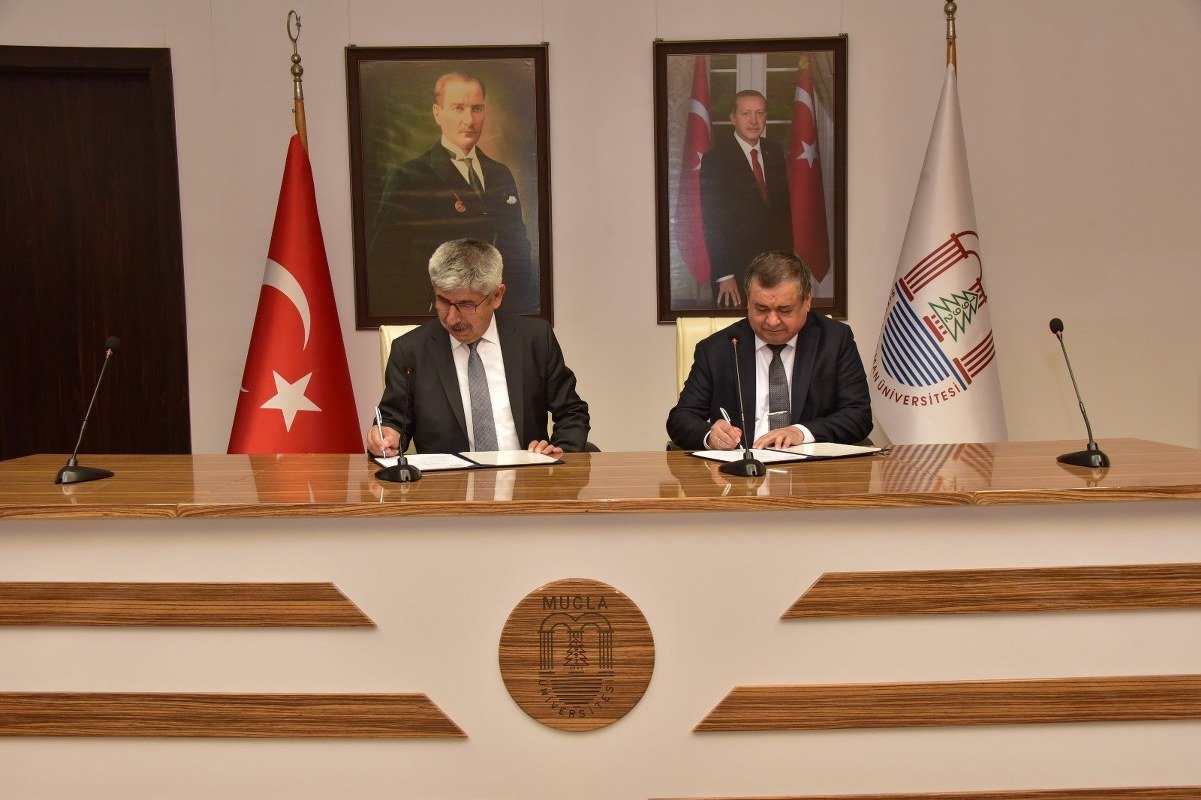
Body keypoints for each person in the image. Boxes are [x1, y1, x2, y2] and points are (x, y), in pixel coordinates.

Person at [368, 239, 588, 456]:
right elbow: (392, 422)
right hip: (448, 478)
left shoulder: (535, 339)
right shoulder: (410, 351)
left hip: (527, 475)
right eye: (443, 301)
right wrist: (385, 436)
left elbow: (571, 412)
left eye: (466, 304)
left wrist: (560, 451)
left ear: (496, 296)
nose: (452, 318)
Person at [368, 72, 537, 316]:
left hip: (497, 316)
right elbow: (386, 263)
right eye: (458, 108)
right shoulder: (408, 177)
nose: (469, 120)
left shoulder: (500, 174)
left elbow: (517, 249)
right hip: (438, 318)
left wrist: (506, 311)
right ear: (437, 113)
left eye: (477, 108)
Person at [667, 251, 871, 450]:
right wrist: (710, 435)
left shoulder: (835, 341)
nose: (772, 321)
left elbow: (858, 415)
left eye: (784, 310)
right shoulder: (718, 349)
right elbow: (681, 419)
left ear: (807, 301)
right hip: (741, 467)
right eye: (761, 309)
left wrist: (801, 432)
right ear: (748, 302)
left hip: (811, 468)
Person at [699, 90, 794, 308]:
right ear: (733, 118)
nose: (754, 121)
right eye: (746, 113)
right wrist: (724, 275)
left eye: (759, 113)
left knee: (777, 326)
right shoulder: (716, 159)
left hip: (775, 271)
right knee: (736, 329)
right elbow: (712, 223)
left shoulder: (774, 151)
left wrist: (788, 268)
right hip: (735, 274)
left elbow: (783, 216)